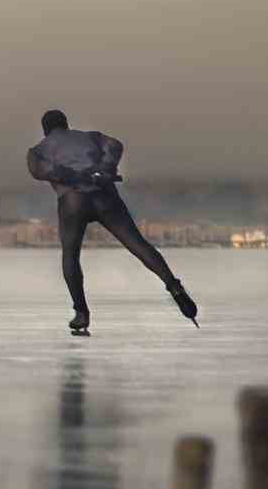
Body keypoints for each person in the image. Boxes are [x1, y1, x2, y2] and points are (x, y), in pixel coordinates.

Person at [27, 109, 198, 331]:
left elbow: (38, 171)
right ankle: (174, 287)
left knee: (70, 255)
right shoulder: (91, 137)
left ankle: (81, 313)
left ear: (45, 130)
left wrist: (68, 174)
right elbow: (115, 145)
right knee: (138, 244)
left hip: (72, 202)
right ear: (66, 124)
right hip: (104, 195)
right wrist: (103, 168)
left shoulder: (38, 151)